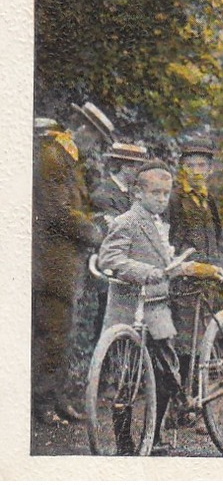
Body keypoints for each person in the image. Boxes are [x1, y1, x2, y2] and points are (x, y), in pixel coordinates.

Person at [98, 164, 223, 453]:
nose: (161, 199)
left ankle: (153, 436)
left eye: (166, 194)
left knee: (168, 375)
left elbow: (169, 264)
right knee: (126, 379)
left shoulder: (159, 223)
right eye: (155, 193)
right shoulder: (127, 221)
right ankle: (124, 443)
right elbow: (110, 259)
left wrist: (203, 269)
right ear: (138, 192)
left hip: (157, 309)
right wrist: (147, 272)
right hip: (130, 310)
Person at [33, 113, 104, 425]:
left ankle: (58, 399)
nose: (97, 148)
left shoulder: (67, 158)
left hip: (64, 264)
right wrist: (96, 233)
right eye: (97, 139)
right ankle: (43, 402)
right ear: (84, 129)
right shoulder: (53, 156)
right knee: (52, 334)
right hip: (51, 264)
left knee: (62, 333)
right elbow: (58, 212)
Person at [168, 136, 223, 393]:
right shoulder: (174, 200)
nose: (196, 172)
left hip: (209, 278)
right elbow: (169, 241)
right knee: (185, 343)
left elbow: (215, 238)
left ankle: (198, 400)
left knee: (205, 340)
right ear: (182, 168)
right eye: (190, 166)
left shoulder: (208, 200)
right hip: (185, 280)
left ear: (210, 169)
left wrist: (215, 266)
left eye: (202, 166)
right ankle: (185, 401)